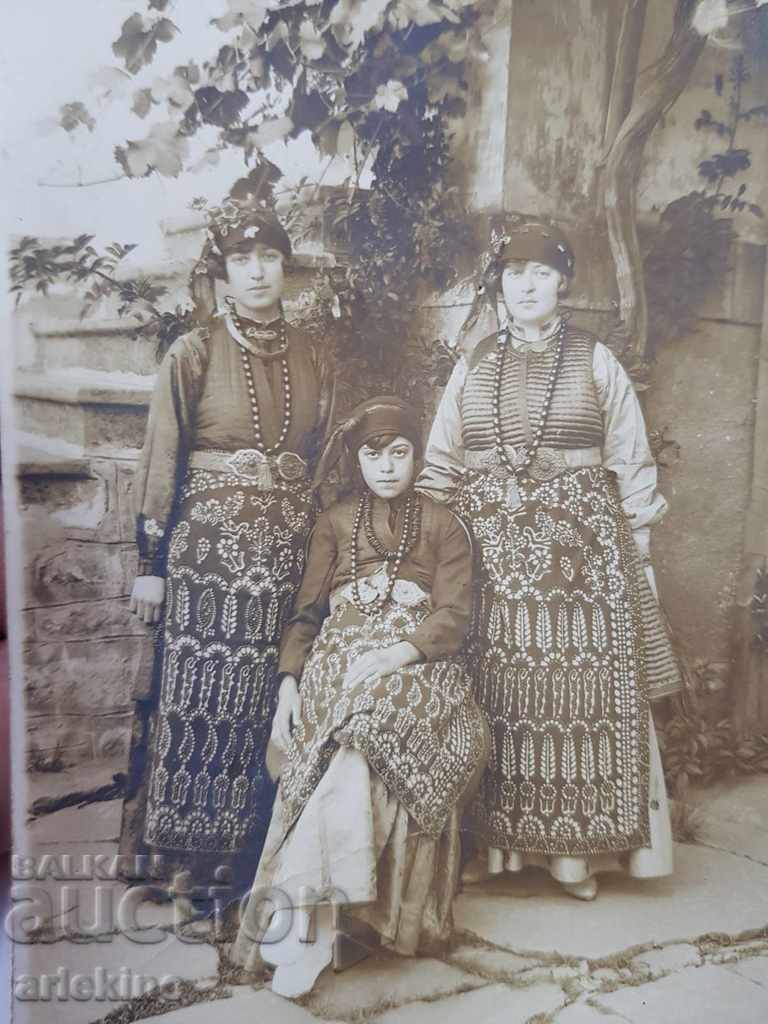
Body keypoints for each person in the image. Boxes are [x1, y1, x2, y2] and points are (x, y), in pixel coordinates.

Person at [418, 217, 681, 900]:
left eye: (540, 273)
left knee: (579, 700)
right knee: (496, 698)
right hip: (492, 562)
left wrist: (639, 548)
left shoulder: (596, 358)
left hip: (582, 569)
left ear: (563, 282)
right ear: (500, 284)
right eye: (513, 273)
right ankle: (494, 851)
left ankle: (577, 859)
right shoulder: (473, 360)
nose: (526, 286)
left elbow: (632, 460)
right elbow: (442, 458)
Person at [231, 396, 487, 998]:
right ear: (357, 460)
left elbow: (454, 614)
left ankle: (309, 927)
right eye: (374, 455)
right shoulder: (336, 521)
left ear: (417, 456)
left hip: (419, 660)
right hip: (339, 654)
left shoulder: (445, 525)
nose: (388, 467)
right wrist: (287, 686)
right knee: (348, 724)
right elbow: (307, 614)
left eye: (400, 453)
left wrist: (400, 652)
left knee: (370, 728)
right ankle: (313, 926)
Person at [126, 180, 335, 907]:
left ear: (286, 268)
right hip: (205, 568)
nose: (256, 271)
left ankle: (254, 865)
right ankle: (184, 868)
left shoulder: (318, 357)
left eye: (269, 256)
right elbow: (162, 460)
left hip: (285, 566)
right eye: (241, 258)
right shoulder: (191, 353)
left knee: (262, 712)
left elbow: (332, 465)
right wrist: (151, 565)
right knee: (198, 705)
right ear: (220, 274)